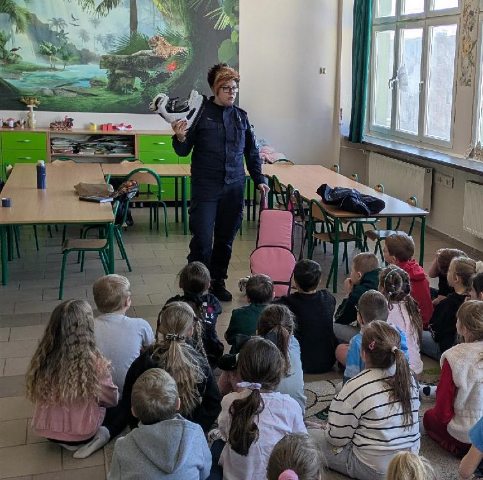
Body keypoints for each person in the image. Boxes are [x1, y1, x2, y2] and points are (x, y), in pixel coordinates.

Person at [171, 63, 270, 302]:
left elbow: (251, 153)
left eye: (234, 88)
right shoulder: (198, 114)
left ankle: (217, 282)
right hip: (206, 188)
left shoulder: (241, 117)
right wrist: (180, 136)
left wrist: (259, 179)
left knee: (225, 240)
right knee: (202, 240)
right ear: (215, 89)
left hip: (234, 188)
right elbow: (183, 151)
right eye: (226, 88)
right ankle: (195, 288)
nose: (231, 92)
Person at [318, 321, 420, 480]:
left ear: (363, 353)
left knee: (308, 436)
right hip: (409, 462)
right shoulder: (409, 379)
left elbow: (336, 438)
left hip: (374, 469)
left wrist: (327, 429)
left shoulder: (355, 385)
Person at [26, 300, 118, 458]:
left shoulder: (43, 357)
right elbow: (111, 400)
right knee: (123, 405)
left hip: (48, 432)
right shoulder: (95, 363)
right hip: (83, 434)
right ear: (87, 328)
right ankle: (102, 437)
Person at [213, 337, 306, 480]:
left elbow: (225, 433)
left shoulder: (229, 401)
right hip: (276, 475)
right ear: (279, 373)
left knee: (215, 441)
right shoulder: (290, 405)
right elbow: (302, 443)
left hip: (234, 476)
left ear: (240, 371)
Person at [121, 302, 221, 433]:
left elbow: (128, 399)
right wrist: (196, 427)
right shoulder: (199, 363)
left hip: (148, 429)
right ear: (191, 331)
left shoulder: (144, 362)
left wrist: (137, 427)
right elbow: (214, 401)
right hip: (187, 428)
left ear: (161, 327)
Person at [108, 368, 211, 480]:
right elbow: (205, 472)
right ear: (178, 403)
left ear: (134, 412)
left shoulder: (122, 446)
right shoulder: (195, 433)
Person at [423, 300, 483, 457]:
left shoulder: (454, 357)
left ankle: (456, 448)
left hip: (465, 435)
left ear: (463, 327)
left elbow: (443, 411)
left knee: (428, 417)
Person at [93, 274, 154, 395]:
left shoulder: (89, 326)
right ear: (127, 302)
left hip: (98, 392)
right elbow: (152, 349)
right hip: (131, 391)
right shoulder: (140, 325)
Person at [335, 290, 409, 383]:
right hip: (397, 385)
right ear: (388, 313)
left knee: (339, 388)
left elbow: (350, 376)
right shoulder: (398, 333)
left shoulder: (357, 341)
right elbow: (405, 359)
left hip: (368, 387)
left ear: (359, 318)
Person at [277, 259, 337, 373]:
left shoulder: (287, 302)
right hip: (328, 361)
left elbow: (268, 307)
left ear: (294, 281)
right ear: (319, 280)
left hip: (300, 362)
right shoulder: (328, 298)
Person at [165, 261, 224, 368]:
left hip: (179, 353)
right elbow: (217, 311)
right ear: (208, 285)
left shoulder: (173, 304)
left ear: (180, 284)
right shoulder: (212, 302)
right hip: (210, 355)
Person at [425, 256, 476, 357]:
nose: (446, 273)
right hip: (461, 346)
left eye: (449, 270)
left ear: (456, 278)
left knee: (414, 334)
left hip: (445, 350)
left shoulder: (448, 304)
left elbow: (435, 330)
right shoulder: (472, 298)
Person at [378, 266, 423, 375]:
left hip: (396, 373)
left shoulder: (382, 309)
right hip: (416, 369)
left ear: (382, 288)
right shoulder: (411, 305)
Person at [383, 233, 433, 329]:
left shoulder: (396, 277)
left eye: (385, 250)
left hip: (415, 325)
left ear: (393, 259)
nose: (383, 251)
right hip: (427, 319)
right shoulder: (416, 269)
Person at [334, 253, 380, 340]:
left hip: (372, 337)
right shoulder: (382, 278)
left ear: (359, 275)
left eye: (352, 271)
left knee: (333, 328)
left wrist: (348, 294)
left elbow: (340, 319)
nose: (350, 274)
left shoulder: (359, 293)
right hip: (386, 332)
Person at [225, 274, 274, 352]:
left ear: (248, 298)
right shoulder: (280, 316)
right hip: (270, 355)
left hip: (242, 355)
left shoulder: (238, 314)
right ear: (273, 296)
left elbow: (229, 338)